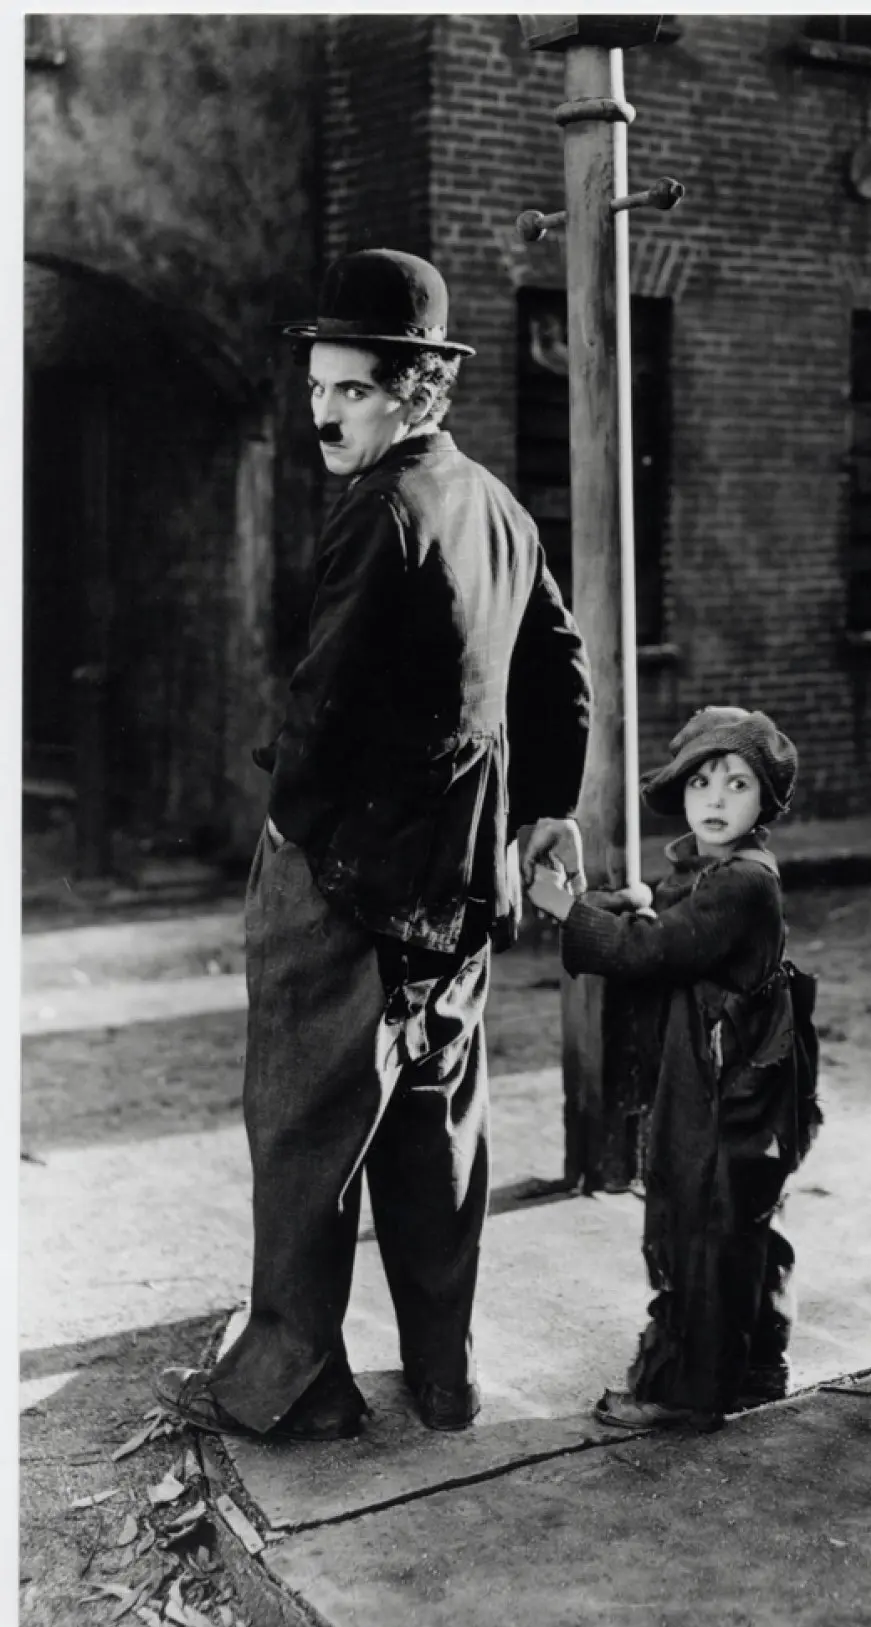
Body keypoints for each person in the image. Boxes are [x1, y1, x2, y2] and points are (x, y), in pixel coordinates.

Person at [156, 248, 591, 1439]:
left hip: (343, 884)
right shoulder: (499, 507)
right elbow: (560, 668)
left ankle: (298, 1394)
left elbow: (324, 704)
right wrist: (546, 808)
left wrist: (291, 819)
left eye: (351, 390)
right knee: (435, 1137)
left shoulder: (382, 512)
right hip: (454, 889)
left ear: (418, 391)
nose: (323, 413)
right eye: (316, 389)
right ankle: (443, 1378)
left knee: (303, 1138)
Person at [528, 706, 820, 1431]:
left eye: (737, 784)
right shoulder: (721, 871)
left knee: (703, 1217)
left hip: (729, 1084)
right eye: (701, 784)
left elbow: (653, 950)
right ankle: (753, 1362)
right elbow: (670, 917)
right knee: (740, 1218)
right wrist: (631, 903)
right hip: (745, 1072)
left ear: (765, 802)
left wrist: (561, 907)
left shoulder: (742, 883)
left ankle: (685, 1393)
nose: (715, 800)